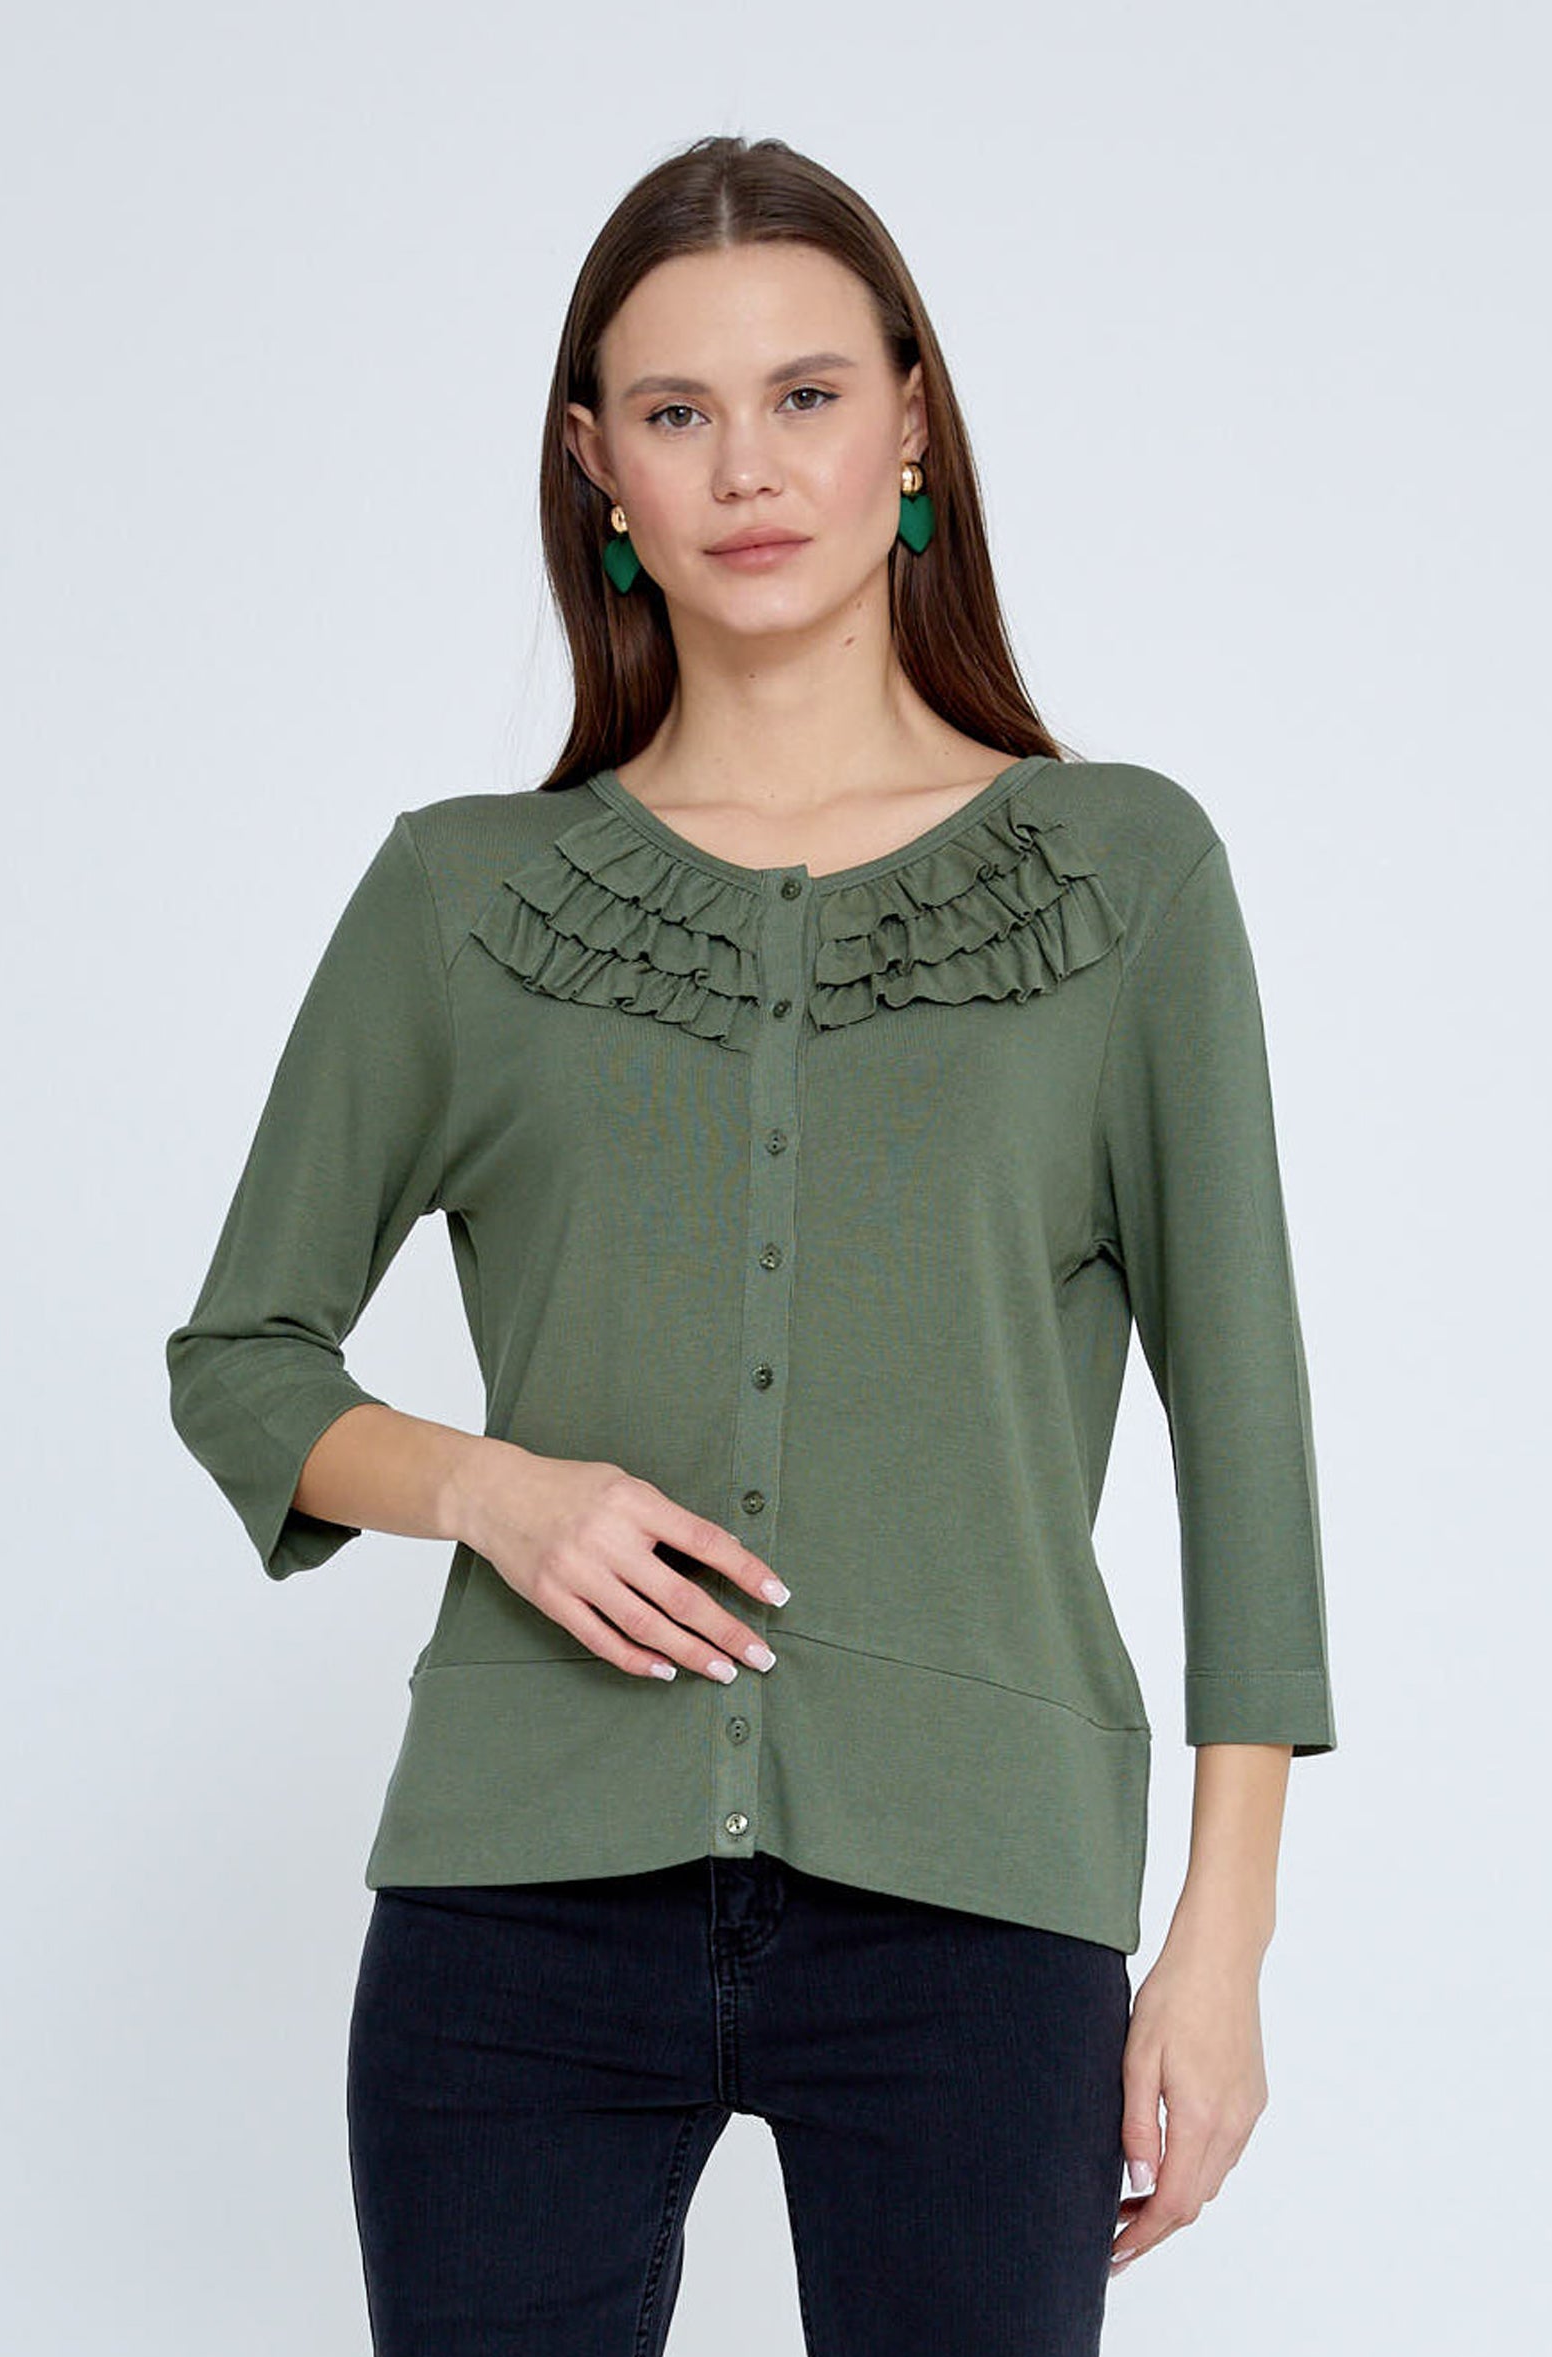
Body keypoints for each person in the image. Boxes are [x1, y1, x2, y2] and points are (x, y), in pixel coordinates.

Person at [165, 132, 1338, 2356]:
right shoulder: (463, 899)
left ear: (911, 422)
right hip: (515, 1917)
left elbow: (1247, 1432)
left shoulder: (1123, 879)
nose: (746, 467)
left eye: (805, 394)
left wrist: (1221, 1939)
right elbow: (243, 1355)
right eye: (676, 411)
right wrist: (494, 1492)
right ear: (595, 465)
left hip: (975, 1910)